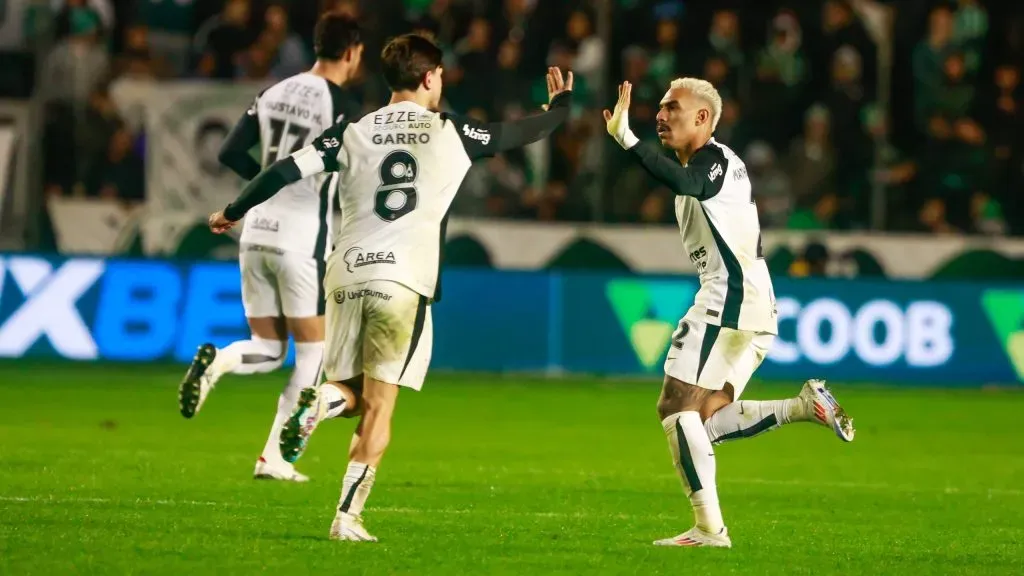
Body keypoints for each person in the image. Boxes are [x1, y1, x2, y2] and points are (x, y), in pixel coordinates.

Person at [206, 34, 574, 541]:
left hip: (345, 274)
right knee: (380, 403)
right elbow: (527, 132)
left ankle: (317, 405)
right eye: (440, 75)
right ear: (429, 78)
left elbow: (283, 170)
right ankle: (346, 518)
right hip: (402, 280)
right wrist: (561, 105)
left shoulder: (351, 132)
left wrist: (232, 211)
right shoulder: (452, 130)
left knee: (351, 393)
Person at [603, 78, 855, 548]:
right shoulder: (701, 170)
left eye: (671, 108)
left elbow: (686, 181)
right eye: (658, 108)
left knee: (674, 406)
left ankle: (709, 529)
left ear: (703, 118)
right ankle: (804, 406)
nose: (660, 115)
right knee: (704, 420)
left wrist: (627, 139)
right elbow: (682, 182)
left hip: (730, 300)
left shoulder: (714, 162)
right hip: (752, 305)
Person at [177, 13, 364, 483]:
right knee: (312, 355)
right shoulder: (343, 105)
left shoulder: (274, 90)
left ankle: (216, 364)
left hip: (255, 228)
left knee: (267, 346)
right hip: (301, 238)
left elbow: (230, 153)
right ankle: (275, 458)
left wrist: (264, 186)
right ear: (352, 52)